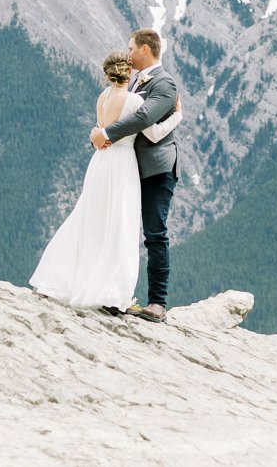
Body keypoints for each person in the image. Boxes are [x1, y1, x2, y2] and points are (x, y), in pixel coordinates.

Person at [30, 50, 145, 310]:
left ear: (107, 73)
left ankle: (69, 279)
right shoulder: (134, 101)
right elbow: (150, 131)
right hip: (122, 163)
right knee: (119, 223)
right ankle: (111, 291)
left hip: (100, 163)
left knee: (90, 220)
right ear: (129, 72)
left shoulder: (102, 97)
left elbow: (100, 131)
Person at [89, 28, 179, 323]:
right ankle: (112, 290)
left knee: (154, 232)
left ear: (144, 49)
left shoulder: (165, 83)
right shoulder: (136, 83)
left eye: (131, 48)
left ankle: (157, 303)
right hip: (128, 166)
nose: (127, 53)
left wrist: (105, 134)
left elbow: (143, 119)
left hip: (155, 167)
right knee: (118, 227)